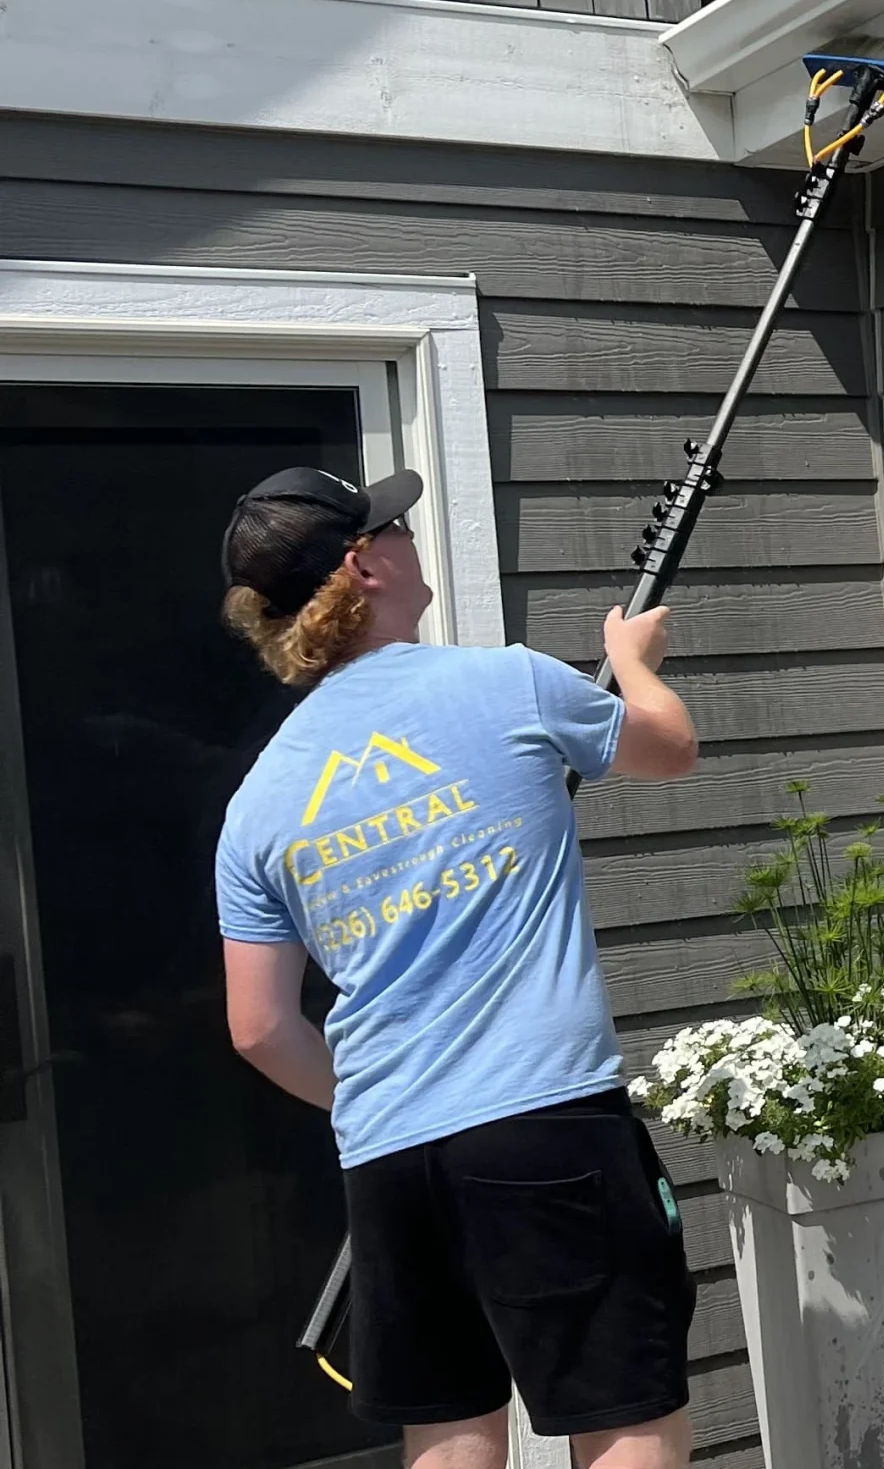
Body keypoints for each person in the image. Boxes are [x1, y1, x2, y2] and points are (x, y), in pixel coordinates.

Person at [212, 466, 701, 1469]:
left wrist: (380, 1100)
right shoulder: (504, 682)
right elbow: (667, 747)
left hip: (388, 1159)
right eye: (392, 526)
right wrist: (633, 658)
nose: (408, 536)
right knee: (623, 1414)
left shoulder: (259, 802)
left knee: (448, 1431)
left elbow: (259, 1028)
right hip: (547, 1131)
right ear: (364, 564)